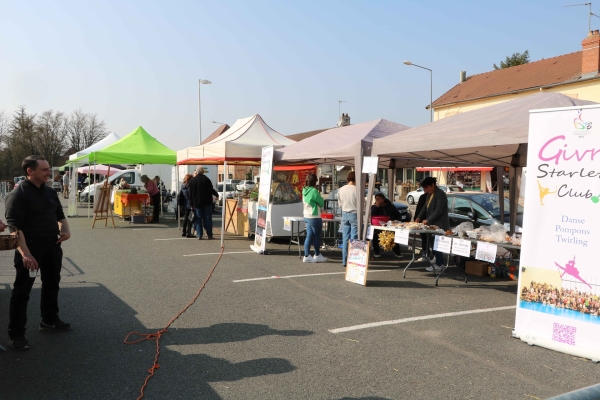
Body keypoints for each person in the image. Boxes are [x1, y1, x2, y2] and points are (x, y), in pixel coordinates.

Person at [4, 155, 72, 351]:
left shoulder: (51, 192)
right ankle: (16, 334)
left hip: (52, 247)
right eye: (44, 170)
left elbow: (60, 216)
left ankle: (49, 320)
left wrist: (66, 230)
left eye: (48, 169)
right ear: (30, 171)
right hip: (30, 250)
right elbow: (15, 228)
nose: (49, 173)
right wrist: (26, 254)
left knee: (52, 284)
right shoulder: (18, 195)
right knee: (22, 292)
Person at [415, 177, 450, 272]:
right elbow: (425, 207)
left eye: (427, 188)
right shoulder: (429, 195)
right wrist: (419, 217)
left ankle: (439, 264)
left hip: (440, 223)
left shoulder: (440, 194)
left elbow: (439, 210)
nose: (426, 190)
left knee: (437, 244)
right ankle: (437, 258)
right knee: (431, 242)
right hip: (432, 224)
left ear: (433, 185)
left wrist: (428, 219)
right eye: (425, 189)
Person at [302, 174, 327, 263]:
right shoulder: (314, 191)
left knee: (308, 236)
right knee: (316, 236)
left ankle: (306, 255)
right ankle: (317, 255)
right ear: (315, 181)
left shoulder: (304, 190)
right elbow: (321, 202)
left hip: (306, 215)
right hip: (314, 216)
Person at [188, 166, 218, 240]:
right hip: (207, 202)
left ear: (197, 172)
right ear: (203, 172)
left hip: (197, 203)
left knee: (198, 219)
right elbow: (211, 189)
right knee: (208, 219)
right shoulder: (206, 179)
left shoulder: (192, 181)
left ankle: (199, 235)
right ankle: (209, 235)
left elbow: (190, 194)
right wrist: (216, 194)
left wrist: (191, 204)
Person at [371, 192, 403, 259]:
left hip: (390, 224)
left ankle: (397, 252)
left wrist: (395, 220)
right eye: (376, 199)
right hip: (379, 225)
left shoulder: (390, 206)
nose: (378, 200)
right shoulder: (374, 207)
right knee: (375, 235)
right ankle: (376, 251)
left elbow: (398, 215)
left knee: (394, 236)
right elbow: (372, 214)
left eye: (379, 199)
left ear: (383, 199)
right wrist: (376, 207)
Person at [336, 171, 358, 267]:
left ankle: (344, 261)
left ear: (348, 179)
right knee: (354, 239)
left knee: (345, 239)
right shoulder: (357, 189)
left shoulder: (341, 189)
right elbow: (362, 204)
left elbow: (339, 204)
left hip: (344, 213)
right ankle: (353, 261)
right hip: (355, 213)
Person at [414, 193, 431, 263]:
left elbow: (420, 208)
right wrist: (417, 217)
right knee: (424, 238)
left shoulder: (433, 196)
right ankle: (426, 254)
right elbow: (420, 208)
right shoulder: (423, 197)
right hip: (422, 221)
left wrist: (417, 217)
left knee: (427, 239)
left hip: (427, 221)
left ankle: (427, 254)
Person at [180, 174, 194, 238]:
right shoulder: (189, 186)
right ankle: (189, 232)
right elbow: (190, 196)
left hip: (185, 203)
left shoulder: (182, 186)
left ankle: (184, 231)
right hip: (190, 203)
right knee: (190, 218)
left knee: (186, 218)